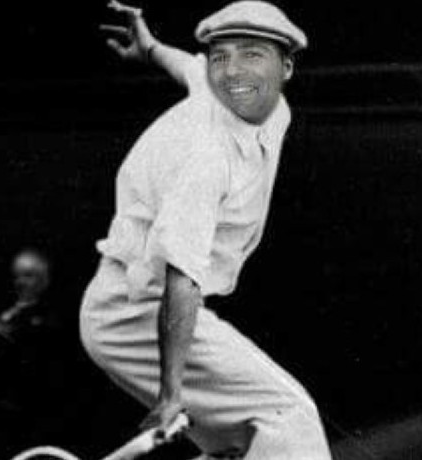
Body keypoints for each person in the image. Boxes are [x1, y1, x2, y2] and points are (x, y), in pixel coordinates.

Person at [80, 1, 333, 459]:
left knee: (245, 443)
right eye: (221, 57)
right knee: (289, 417)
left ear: (287, 67)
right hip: (131, 313)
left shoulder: (251, 101)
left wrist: (150, 48)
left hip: (142, 305)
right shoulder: (206, 156)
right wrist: (170, 394)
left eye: (251, 54)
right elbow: (181, 279)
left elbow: (189, 68)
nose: (232, 70)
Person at [0, 248, 70, 458]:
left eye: (28, 276)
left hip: (12, 406)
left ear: (45, 280)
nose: (20, 282)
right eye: (17, 276)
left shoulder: (49, 318)